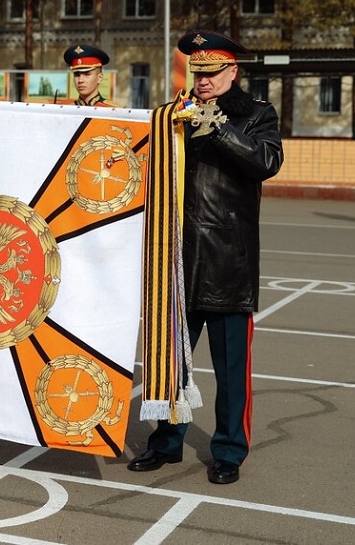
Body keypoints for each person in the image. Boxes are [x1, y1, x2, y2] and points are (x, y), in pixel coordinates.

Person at [128, 31, 283, 485]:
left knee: (231, 371)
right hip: (176, 260)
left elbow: (267, 162)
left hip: (228, 263)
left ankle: (229, 451)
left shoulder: (256, 114)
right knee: (170, 363)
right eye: (197, 72)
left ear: (233, 71)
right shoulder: (173, 116)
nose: (203, 80)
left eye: (212, 72)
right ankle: (166, 443)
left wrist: (218, 127)